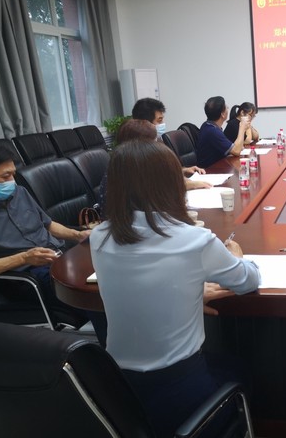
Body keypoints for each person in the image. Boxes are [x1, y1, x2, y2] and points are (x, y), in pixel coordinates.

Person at [90, 140, 260, 437]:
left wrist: (187, 292)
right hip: (181, 393)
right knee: (244, 369)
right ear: (170, 185)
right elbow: (248, 281)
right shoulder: (193, 241)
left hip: (119, 394)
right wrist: (236, 253)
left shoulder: (100, 237)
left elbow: (136, 283)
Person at [0, 140, 94, 328]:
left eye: (13, 174)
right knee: (94, 292)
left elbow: (49, 225)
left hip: (61, 256)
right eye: (5, 176)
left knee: (107, 268)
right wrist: (24, 258)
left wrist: (78, 235)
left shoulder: (20, 193)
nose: (13, 181)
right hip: (29, 277)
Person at [97, 119, 211, 216]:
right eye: (152, 141)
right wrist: (185, 185)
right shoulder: (127, 172)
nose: (156, 145)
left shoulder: (129, 163)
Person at [131, 98, 207, 179]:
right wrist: (189, 184)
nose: (163, 123)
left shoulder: (158, 142)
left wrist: (183, 171)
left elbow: (163, 171)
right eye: (159, 120)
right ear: (146, 123)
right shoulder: (137, 152)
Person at [196, 96, 249, 168]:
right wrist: (242, 127)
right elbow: (236, 151)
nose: (228, 108)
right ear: (222, 114)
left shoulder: (208, 126)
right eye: (226, 107)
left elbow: (231, 149)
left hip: (218, 166)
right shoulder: (212, 131)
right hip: (210, 170)